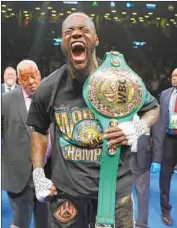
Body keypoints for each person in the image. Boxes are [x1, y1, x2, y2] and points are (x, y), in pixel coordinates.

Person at [27, 12, 159, 228]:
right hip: (68, 192)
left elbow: (153, 108)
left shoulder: (120, 79)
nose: (76, 33)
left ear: (95, 40)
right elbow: (39, 130)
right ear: (63, 43)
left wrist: (137, 127)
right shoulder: (49, 87)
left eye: (84, 30)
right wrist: (39, 173)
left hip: (115, 190)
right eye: (69, 32)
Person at [1, 60, 50, 228]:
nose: (30, 81)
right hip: (18, 175)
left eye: (34, 76)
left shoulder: (51, 97)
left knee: (46, 224)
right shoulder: (5, 101)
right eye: (24, 78)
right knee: (20, 223)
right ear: (18, 80)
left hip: (48, 173)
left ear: (40, 75)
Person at [152, 68, 177, 226]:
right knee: (165, 177)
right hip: (169, 139)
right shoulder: (165, 94)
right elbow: (160, 121)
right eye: (173, 75)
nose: (174, 78)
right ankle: (165, 210)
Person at [130, 115, 162, 228]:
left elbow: (157, 136)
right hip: (121, 156)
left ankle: (142, 223)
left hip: (142, 157)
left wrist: (157, 159)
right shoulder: (121, 108)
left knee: (143, 193)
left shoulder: (151, 110)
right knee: (119, 192)